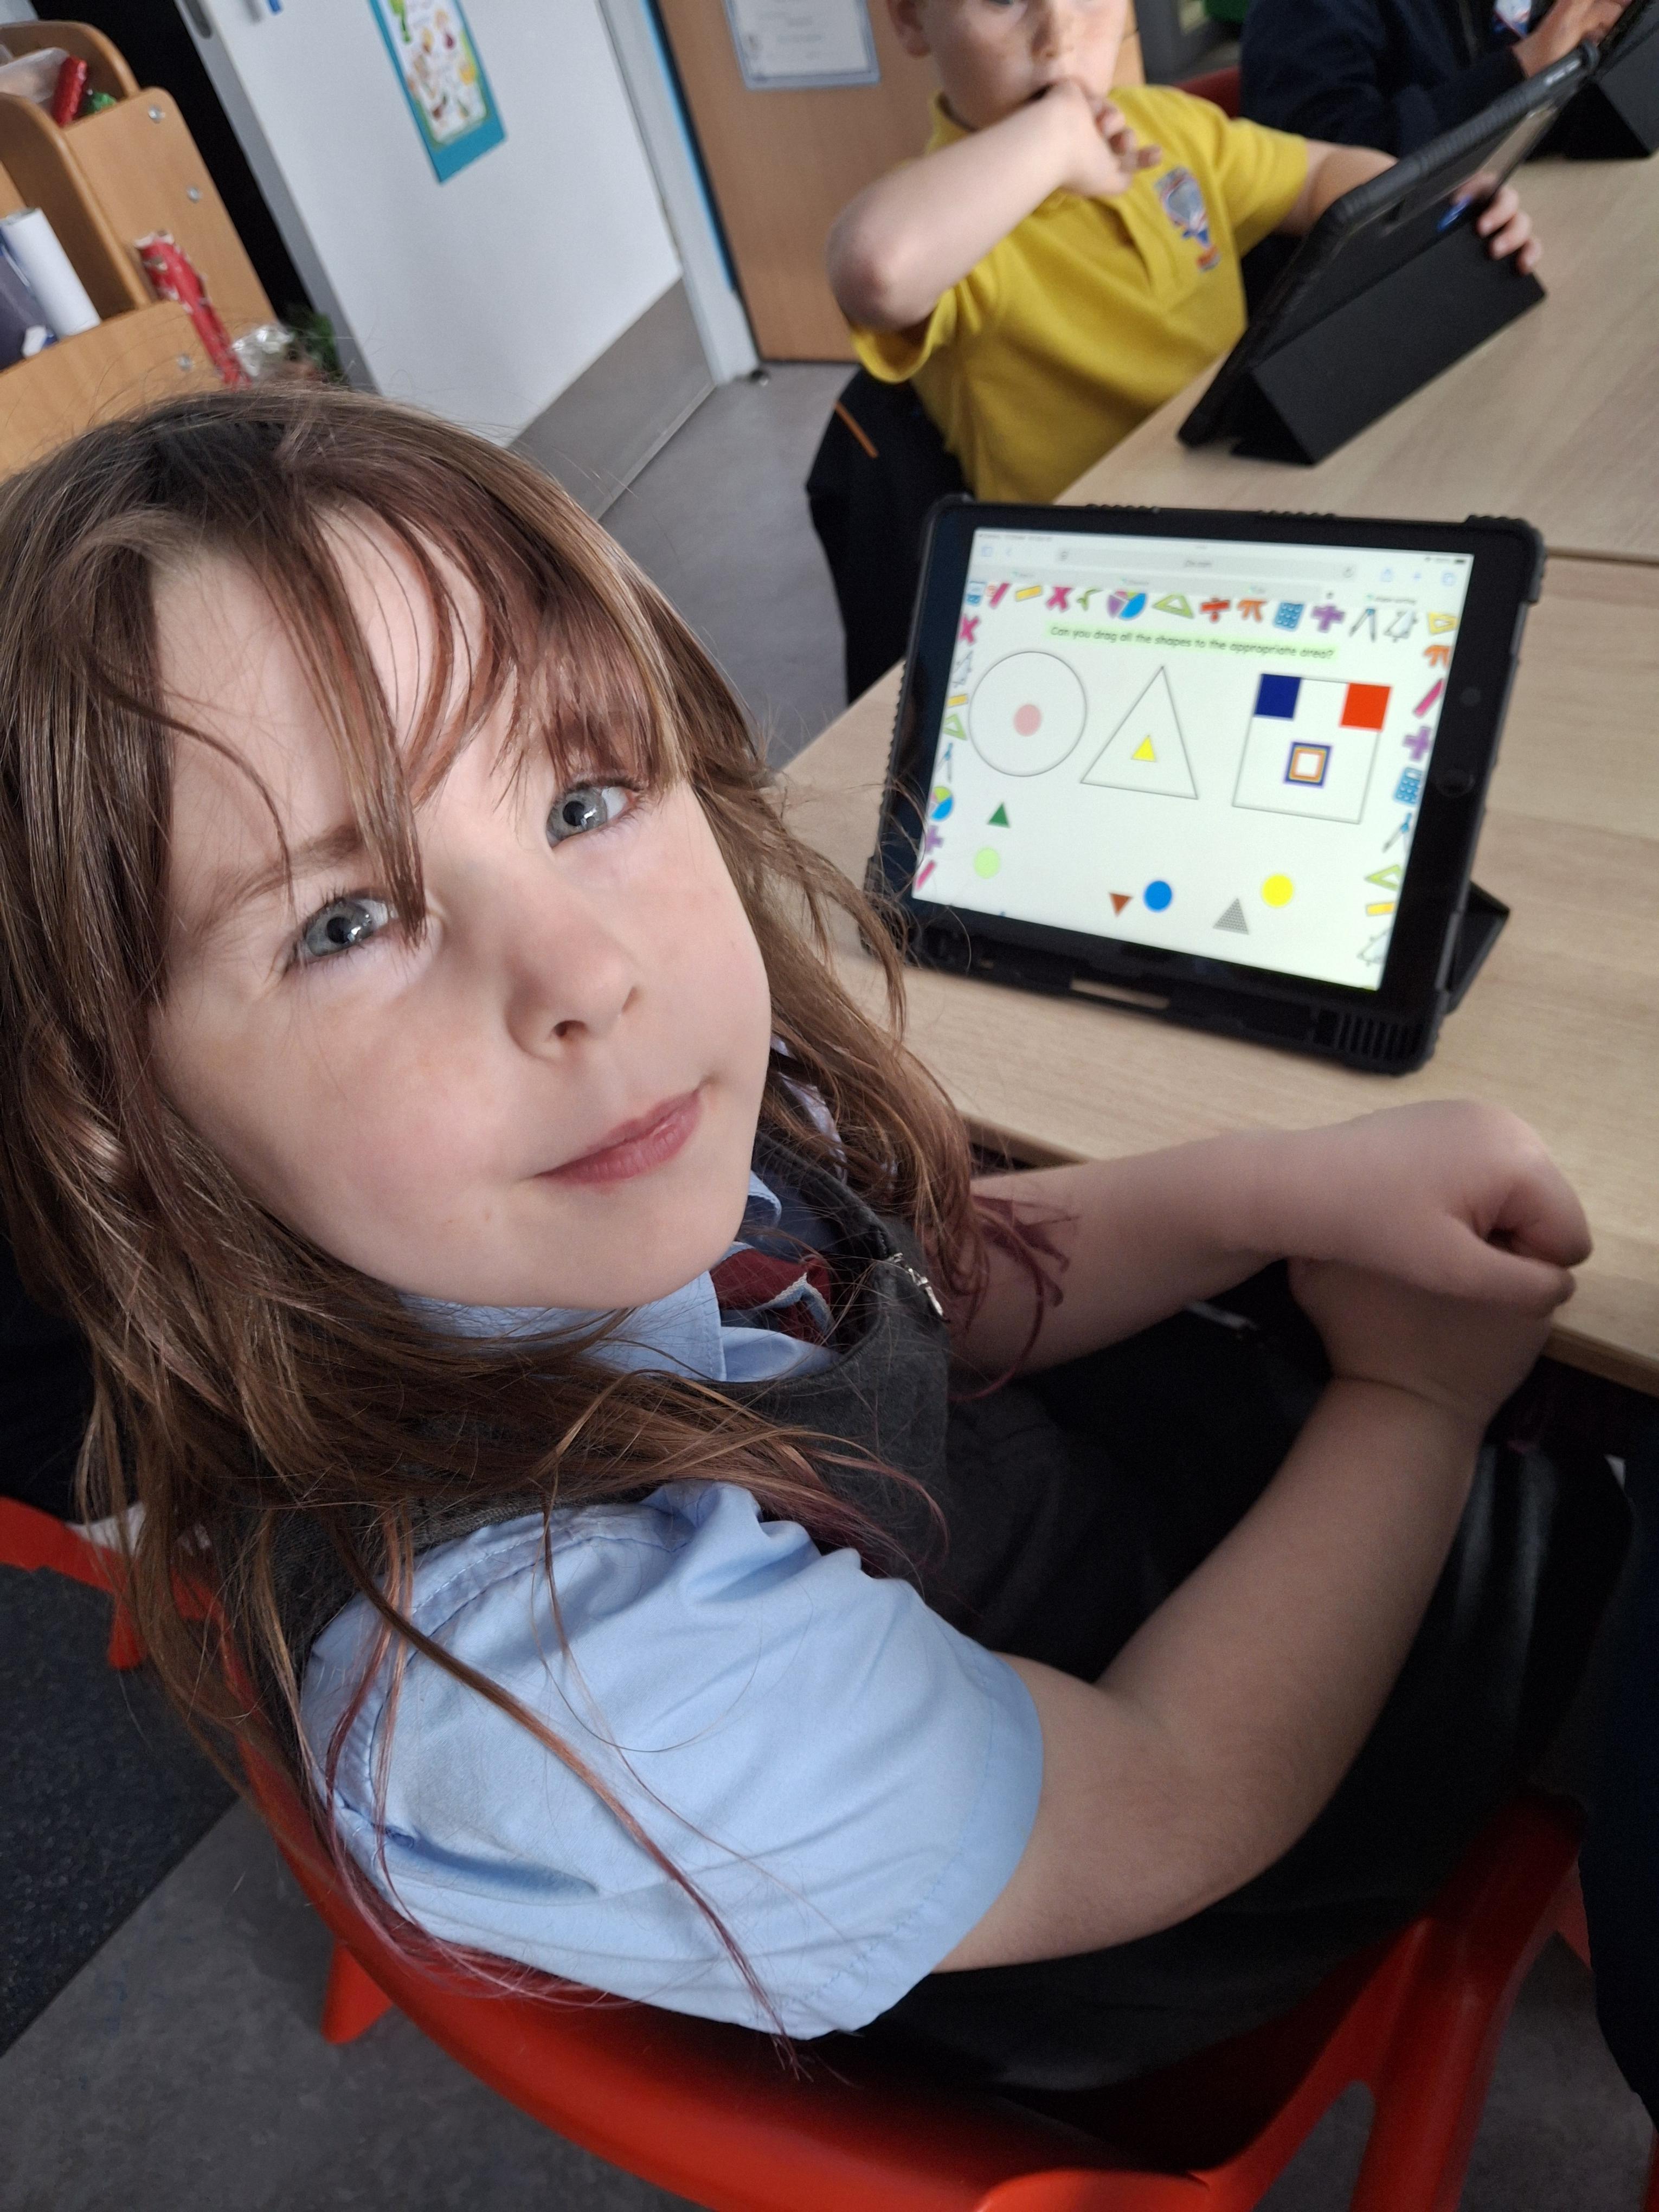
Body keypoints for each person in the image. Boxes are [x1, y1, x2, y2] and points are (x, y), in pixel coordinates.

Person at [0, 385, 1625, 2092]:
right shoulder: (547, 1674)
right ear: (109, 1104)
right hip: (1146, 1855)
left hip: (1052, 1518)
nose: (587, 973)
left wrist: (1265, 1193)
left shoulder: (586, 1143)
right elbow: (1168, 1801)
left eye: (584, 799)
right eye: (346, 920)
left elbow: (919, 1279)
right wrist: (1415, 1406)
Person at [826, 0, 1540, 505]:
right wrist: (1057, 136)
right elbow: (876, 269)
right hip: (1084, 580)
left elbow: (1323, 174)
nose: (1057, 35)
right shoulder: (950, 217)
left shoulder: (1170, 129)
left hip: (1240, 492)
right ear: (909, 16)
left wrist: (1432, 203)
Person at [1240, 0, 1632, 155]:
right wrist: (1521, 70)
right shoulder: (1297, 13)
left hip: (1504, 210)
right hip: (1389, 275)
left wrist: (1614, 40)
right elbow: (1341, 173)